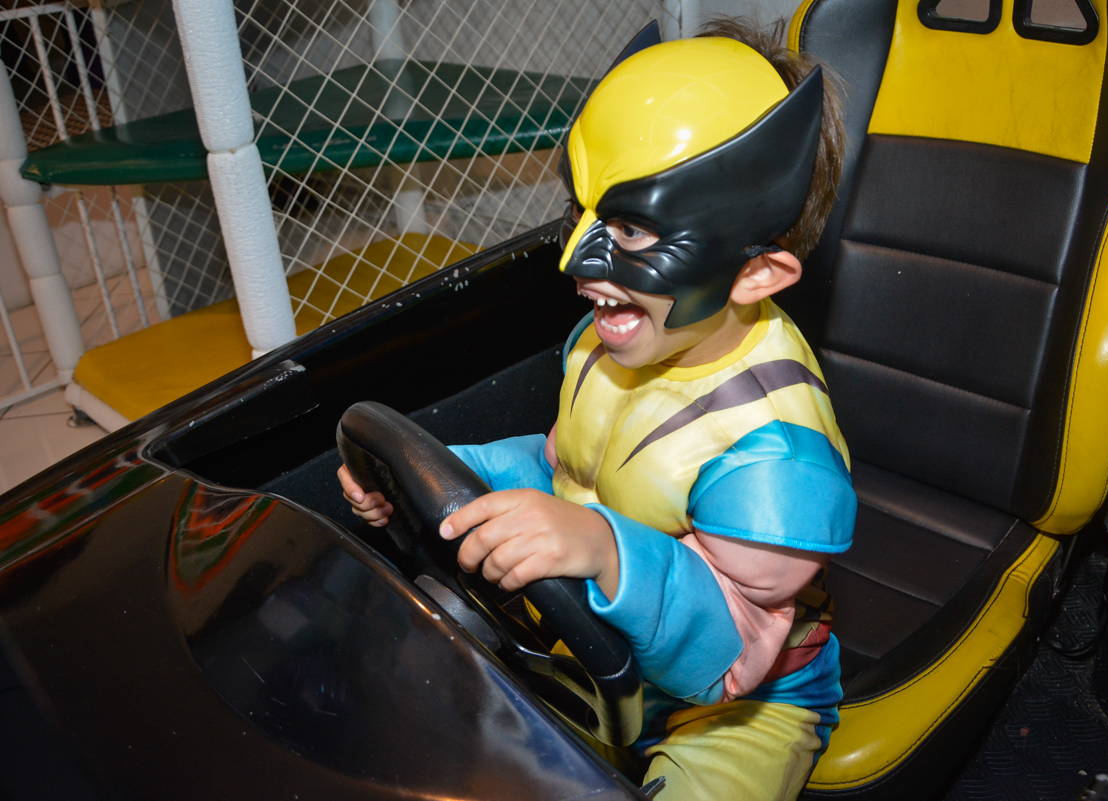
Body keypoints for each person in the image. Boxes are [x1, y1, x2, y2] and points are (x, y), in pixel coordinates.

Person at [338, 17, 853, 801]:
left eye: (631, 228)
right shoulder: (608, 340)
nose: (574, 255)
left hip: (736, 708)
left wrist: (604, 549)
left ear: (757, 274)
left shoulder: (779, 459)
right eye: (584, 209)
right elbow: (562, 467)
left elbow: (728, 655)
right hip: (589, 651)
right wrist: (440, 481)